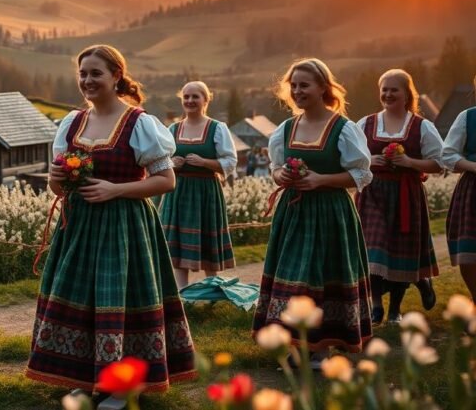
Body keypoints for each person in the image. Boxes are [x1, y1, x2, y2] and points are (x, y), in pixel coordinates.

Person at [25, 45, 196, 397]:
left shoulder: (140, 123)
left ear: (116, 76)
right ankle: (88, 380)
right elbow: (57, 186)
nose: (87, 80)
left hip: (124, 227)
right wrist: (56, 175)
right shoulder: (72, 122)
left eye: (95, 73)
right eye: (83, 73)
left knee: (120, 302)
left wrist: (114, 189)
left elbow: (166, 181)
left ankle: (122, 388)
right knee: (83, 301)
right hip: (78, 228)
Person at [252, 58, 373, 361]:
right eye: (293, 86)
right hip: (294, 214)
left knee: (324, 276)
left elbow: (362, 174)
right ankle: (296, 345)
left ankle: (321, 348)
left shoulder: (343, 128)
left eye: (304, 85)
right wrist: (281, 175)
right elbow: (275, 168)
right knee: (294, 277)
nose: (297, 91)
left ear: (322, 88)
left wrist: (321, 180)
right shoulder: (285, 129)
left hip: (331, 213)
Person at [355, 69, 442, 324]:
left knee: (399, 254)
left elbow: (438, 163)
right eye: (384, 89)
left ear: (407, 94)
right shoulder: (365, 124)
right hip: (372, 194)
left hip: (407, 196)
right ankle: (376, 305)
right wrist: (369, 160)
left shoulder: (421, 126)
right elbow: (351, 158)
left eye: (394, 89)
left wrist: (409, 161)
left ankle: (395, 309)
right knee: (371, 251)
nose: (388, 94)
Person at [159, 81, 238, 288]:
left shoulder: (217, 128)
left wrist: (205, 163)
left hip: (206, 191)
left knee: (207, 242)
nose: (190, 101)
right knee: (176, 246)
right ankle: (182, 293)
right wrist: (171, 164)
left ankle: (212, 291)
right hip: (178, 191)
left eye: (195, 97)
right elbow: (160, 160)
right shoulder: (173, 129)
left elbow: (230, 161)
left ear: (206, 100)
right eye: (186, 97)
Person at [444, 73, 476, 297]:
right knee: (469, 252)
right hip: (473, 190)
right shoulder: (467, 117)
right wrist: (474, 166)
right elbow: (447, 155)